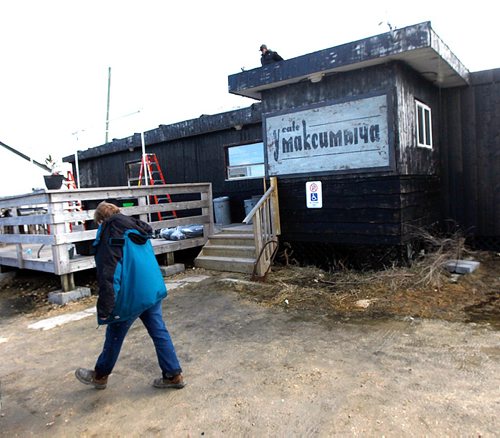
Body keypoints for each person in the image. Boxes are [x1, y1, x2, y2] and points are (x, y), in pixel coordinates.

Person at [75, 201, 184, 390]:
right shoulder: (135, 228)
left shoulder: (110, 233)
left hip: (131, 294)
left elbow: (110, 274)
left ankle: (100, 376)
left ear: (100, 221)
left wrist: (105, 309)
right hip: (151, 289)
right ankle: (173, 375)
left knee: (114, 334)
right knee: (159, 331)